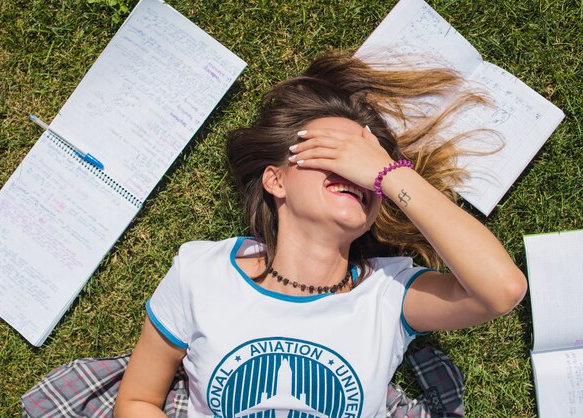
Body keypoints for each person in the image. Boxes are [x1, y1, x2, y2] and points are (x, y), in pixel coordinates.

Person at [114, 51, 527, 418]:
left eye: (363, 164)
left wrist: (391, 174)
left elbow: (501, 289)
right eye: (331, 152)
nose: (352, 171)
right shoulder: (201, 272)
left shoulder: (389, 292)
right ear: (276, 180)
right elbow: (136, 401)